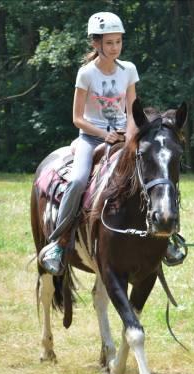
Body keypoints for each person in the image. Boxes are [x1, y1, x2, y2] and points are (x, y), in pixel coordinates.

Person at [38, 12, 139, 275]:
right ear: (96, 44)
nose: (115, 47)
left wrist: (128, 136)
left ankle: (168, 238)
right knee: (78, 180)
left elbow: (132, 110)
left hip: (122, 135)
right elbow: (77, 118)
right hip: (91, 137)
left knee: (153, 171)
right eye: (109, 43)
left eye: (118, 41)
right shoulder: (86, 74)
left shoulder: (128, 70)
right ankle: (59, 243)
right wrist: (103, 134)